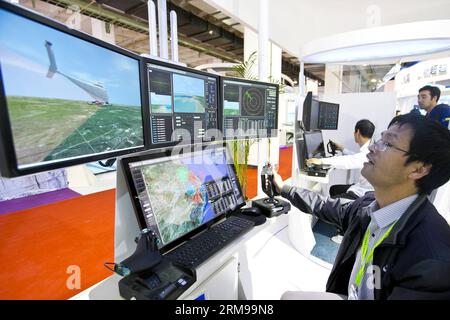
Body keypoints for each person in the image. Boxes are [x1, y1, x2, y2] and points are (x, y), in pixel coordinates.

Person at [274, 113, 450, 300]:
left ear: (418, 169)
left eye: (388, 144)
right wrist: (284, 189)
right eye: (379, 139)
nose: (373, 147)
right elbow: (324, 206)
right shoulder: (370, 206)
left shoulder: (432, 258)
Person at [307, 119, 375, 200]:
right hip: (364, 189)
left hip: (362, 194)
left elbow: (349, 161)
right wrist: (342, 149)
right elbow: (356, 157)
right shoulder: (371, 148)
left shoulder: (367, 153)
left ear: (357, 132)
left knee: (329, 203)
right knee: (334, 189)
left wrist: (321, 161)